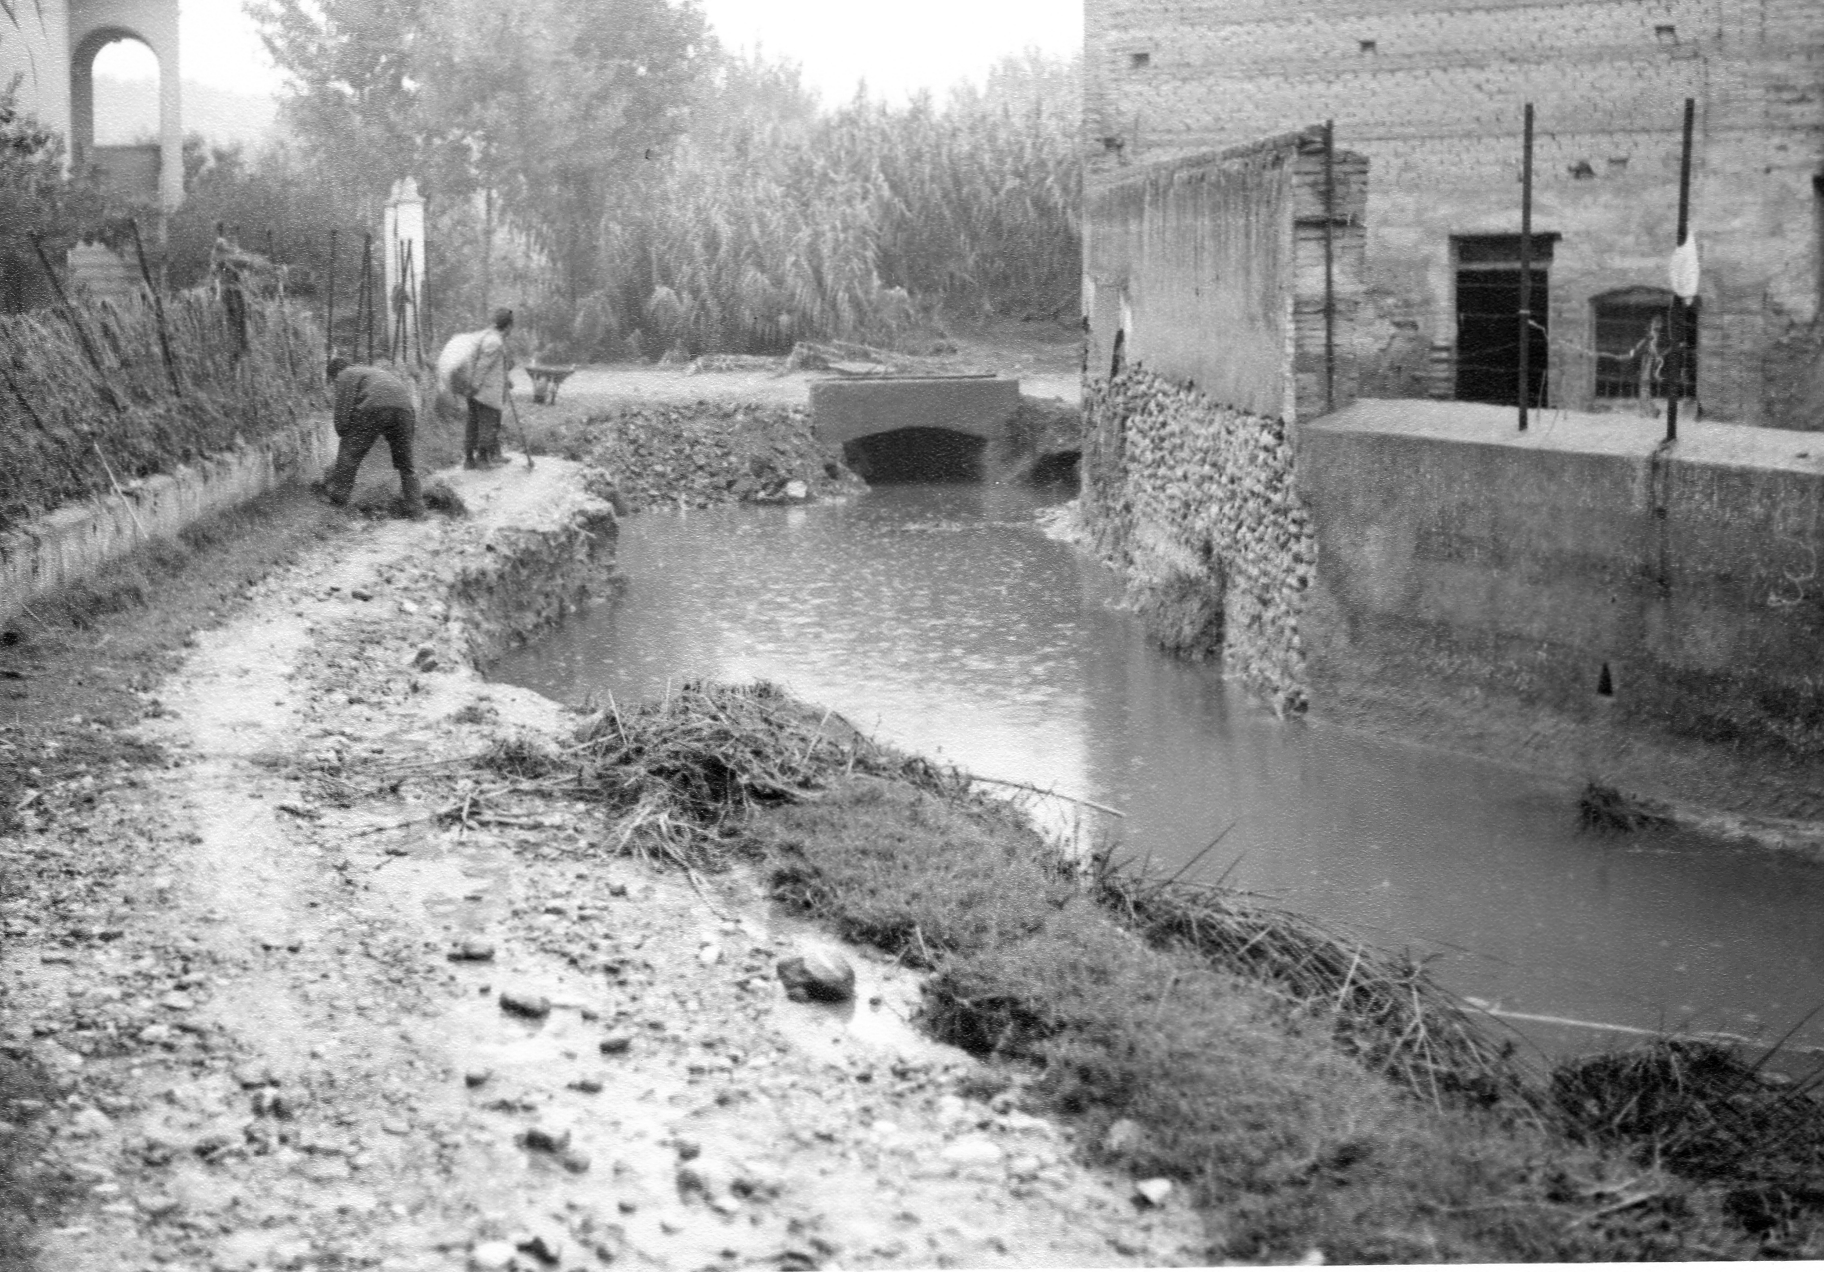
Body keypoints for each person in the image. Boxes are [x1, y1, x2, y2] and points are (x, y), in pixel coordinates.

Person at [322, 355, 424, 518]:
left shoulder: (345, 374)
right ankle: (416, 507)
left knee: (349, 453)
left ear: (334, 373)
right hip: (405, 410)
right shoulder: (372, 372)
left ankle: (338, 498)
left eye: (333, 381)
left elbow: (343, 410)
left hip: (374, 407)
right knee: (406, 463)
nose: (335, 384)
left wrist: (344, 433)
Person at [463, 307, 517, 468]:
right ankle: (482, 459)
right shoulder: (494, 341)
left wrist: (506, 379)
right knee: (488, 424)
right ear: (508, 326)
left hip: (475, 390)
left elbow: (493, 365)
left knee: (473, 424)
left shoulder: (485, 336)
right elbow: (482, 366)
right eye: (511, 327)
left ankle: (470, 460)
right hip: (485, 392)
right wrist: (474, 386)